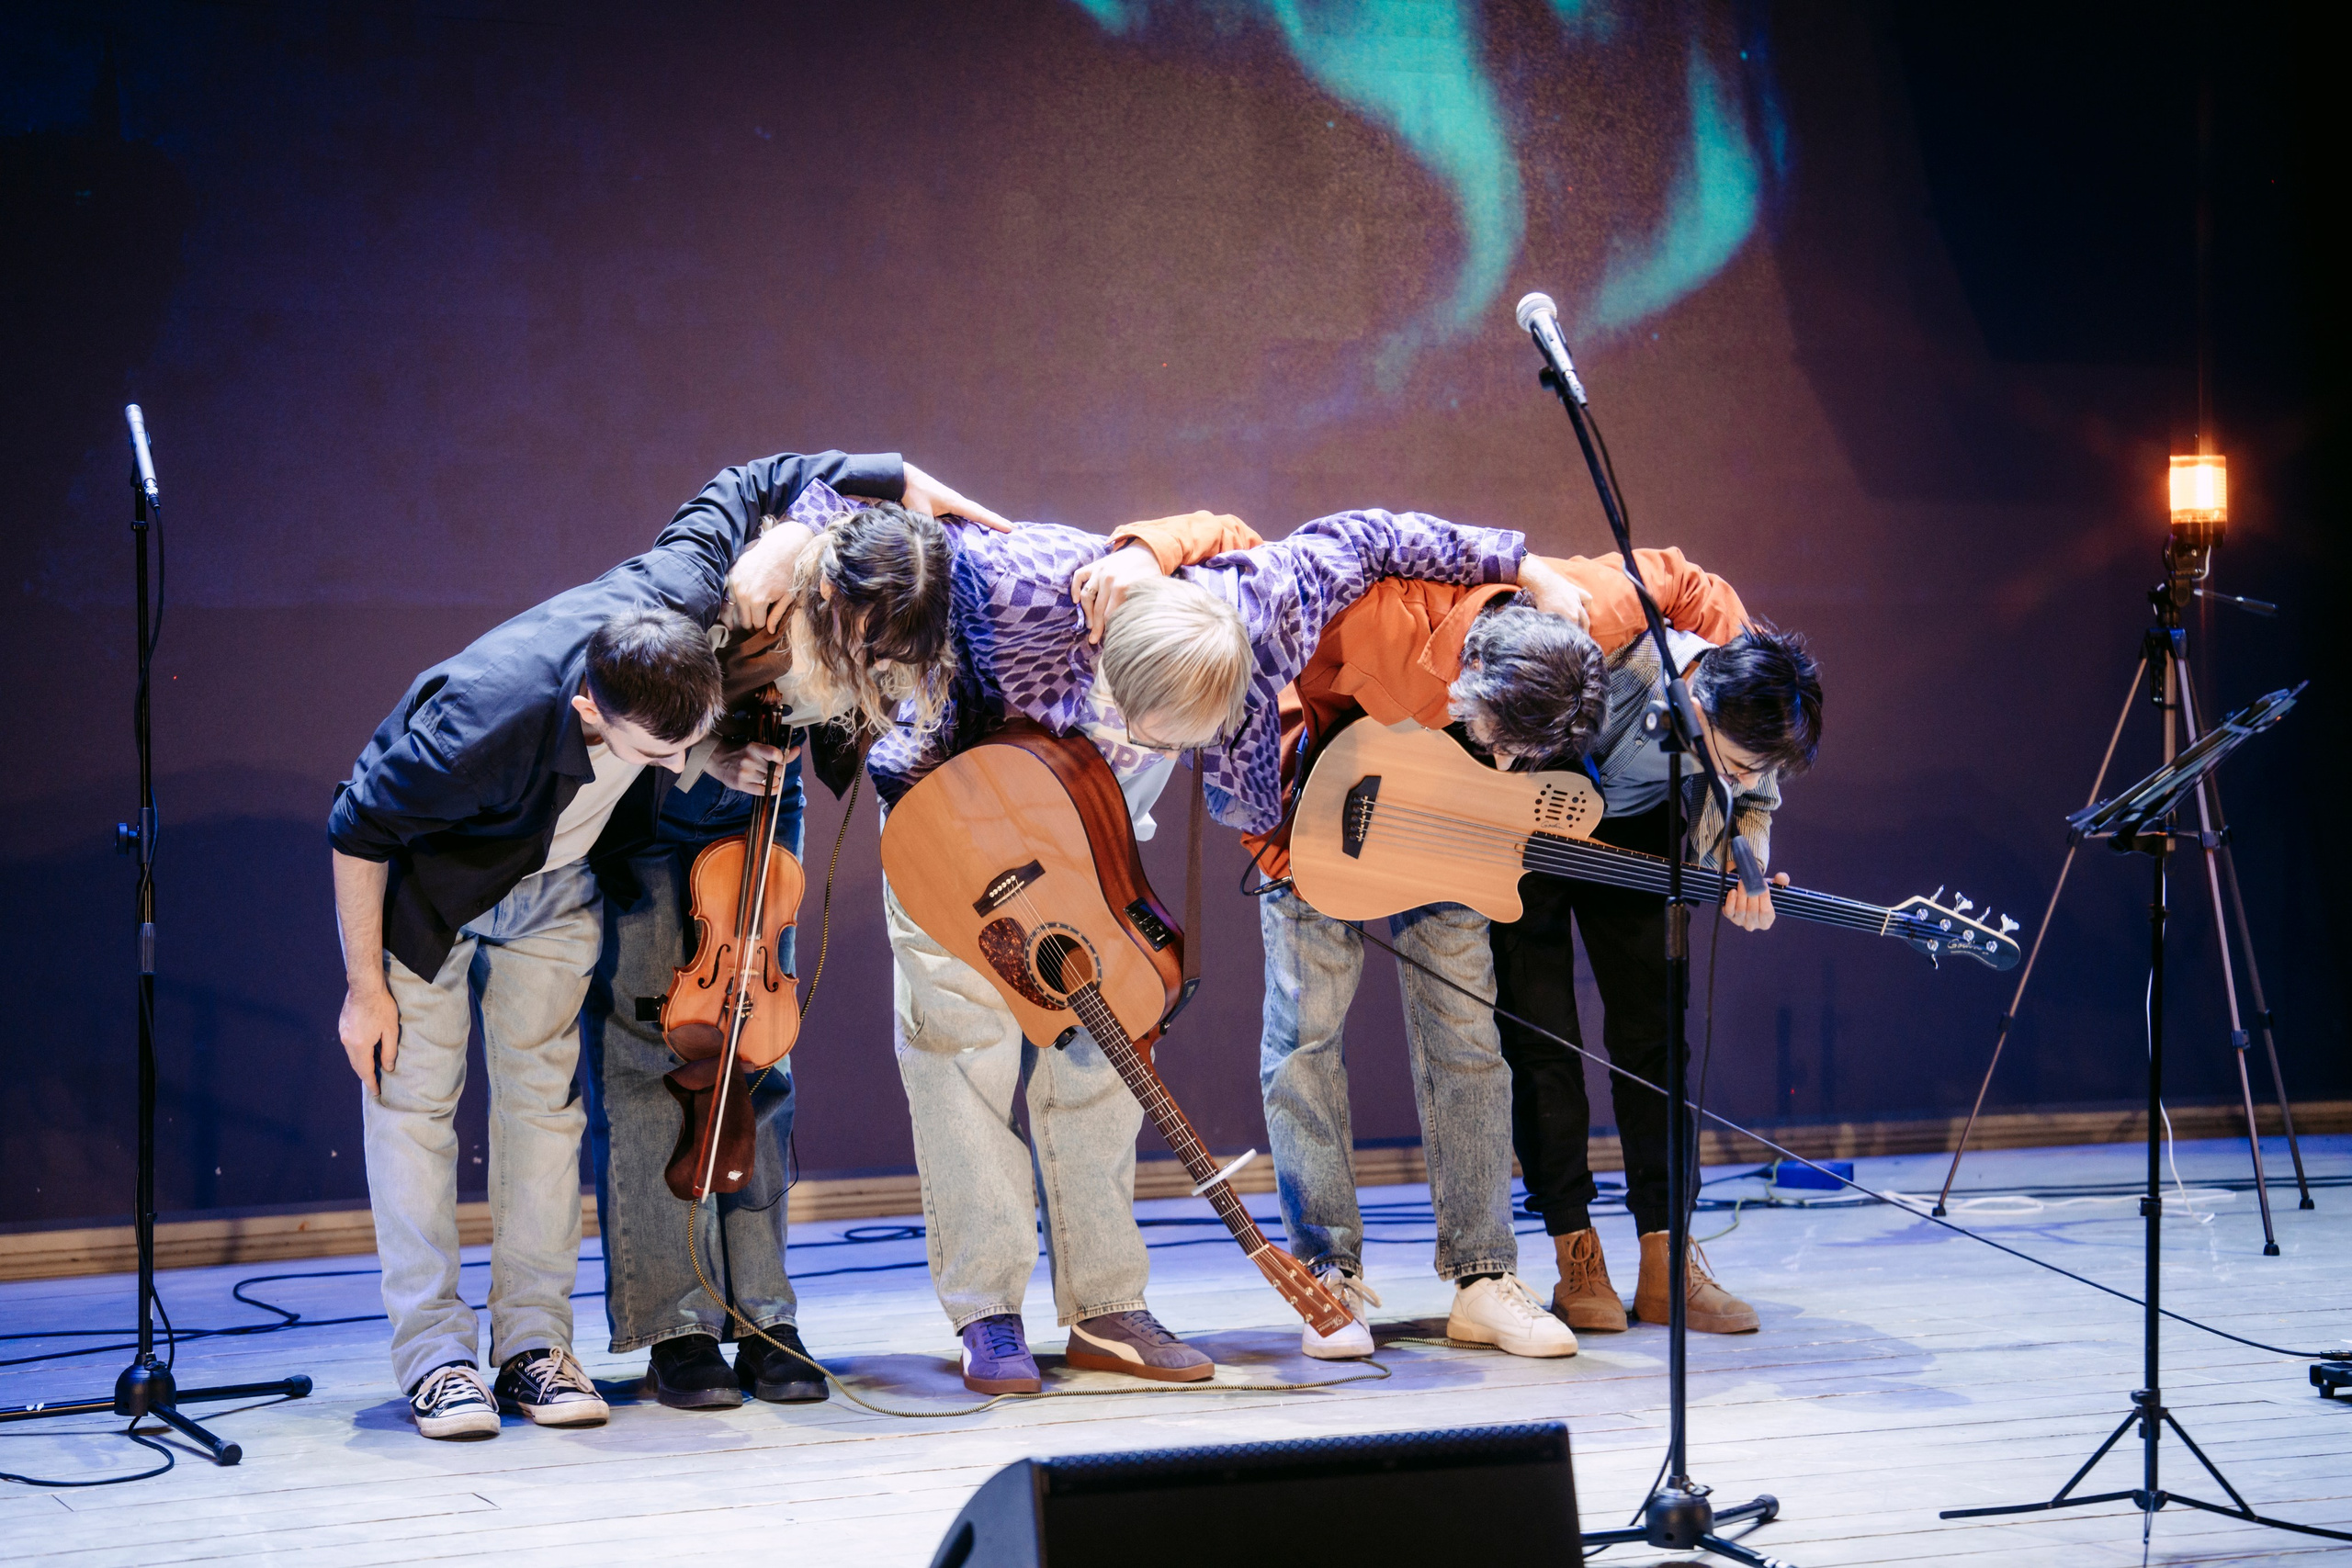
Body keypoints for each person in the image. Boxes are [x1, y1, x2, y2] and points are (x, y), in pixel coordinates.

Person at [329, 448, 989, 1439]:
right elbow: (357, 825)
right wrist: (361, 989)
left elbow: (754, 478)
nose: (678, 765)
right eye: (662, 754)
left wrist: (894, 476)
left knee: (547, 1116)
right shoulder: (495, 704)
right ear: (595, 711)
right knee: (419, 1113)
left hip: (554, 888)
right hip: (439, 905)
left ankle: (532, 1348)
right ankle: (436, 1358)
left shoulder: (692, 647)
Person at [866, 505, 1540, 1394]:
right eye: (1150, 735)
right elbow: (892, 551)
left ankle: (1106, 1307)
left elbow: (1363, 535)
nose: (1162, 752)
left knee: (1102, 1065)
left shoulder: (1263, 605)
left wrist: (1523, 564)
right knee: (965, 1060)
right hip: (951, 836)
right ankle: (987, 1311)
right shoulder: (1026, 598)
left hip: (1084, 848)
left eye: (1184, 742)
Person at [1094, 528, 1745, 1359]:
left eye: (1524, 756)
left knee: (1469, 1035)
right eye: (1504, 742)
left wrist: (1751, 766)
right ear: (1473, 680)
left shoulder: (1571, 618)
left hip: (1447, 830)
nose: (1510, 761)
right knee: (1305, 1039)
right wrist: (1289, 836)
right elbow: (1265, 597)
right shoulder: (1368, 616)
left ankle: (1483, 1277)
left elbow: (1695, 587)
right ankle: (1328, 1271)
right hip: (1318, 817)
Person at [578, 467, 1004, 1411]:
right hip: (658, 809)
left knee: (759, 1058)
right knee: (657, 1060)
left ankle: (765, 1312)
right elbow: (614, 712)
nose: (876, 660)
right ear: (822, 593)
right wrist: (701, 753)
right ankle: (674, 1324)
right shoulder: (729, 583)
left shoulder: (901, 598)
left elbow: (873, 484)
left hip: (764, 810)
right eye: (865, 642)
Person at [1483, 580, 1821, 1338]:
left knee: (1655, 1040)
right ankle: (1576, 1251)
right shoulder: (1609, 652)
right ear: (1698, 706)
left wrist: (1750, 867)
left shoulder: (1752, 710)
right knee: (1542, 1040)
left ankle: (1668, 1258)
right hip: (1526, 824)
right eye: (1728, 764)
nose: (1737, 779)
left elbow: (1754, 800)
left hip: (1639, 830)